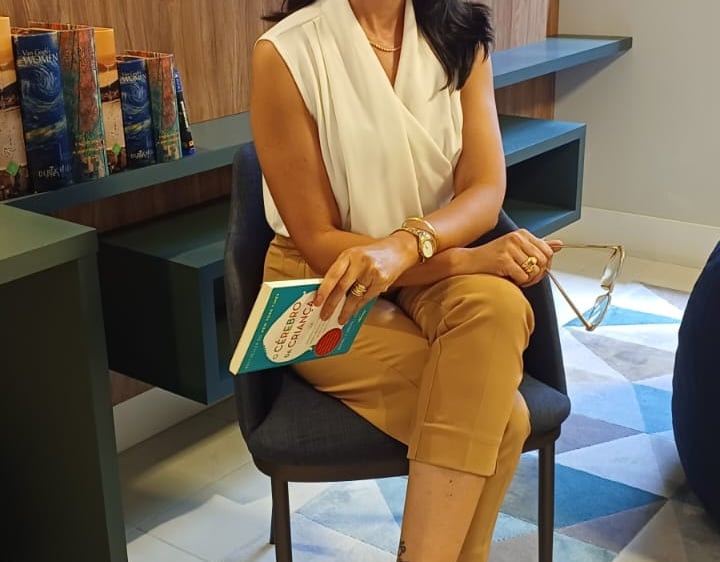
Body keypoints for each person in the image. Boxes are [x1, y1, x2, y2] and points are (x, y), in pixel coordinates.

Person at [250, 1, 560, 560]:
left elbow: (485, 190)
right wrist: (465, 261)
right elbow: (317, 238)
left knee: (500, 307)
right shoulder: (287, 53)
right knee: (503, 419)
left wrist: (408, 246)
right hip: (327, 282)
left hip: (428, 259)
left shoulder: (461, 36)